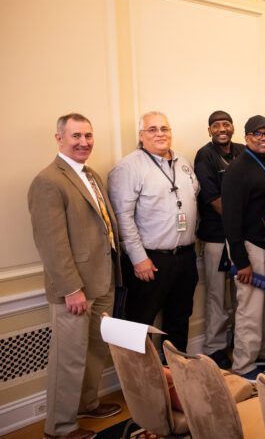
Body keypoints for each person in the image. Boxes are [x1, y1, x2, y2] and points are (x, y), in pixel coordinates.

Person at [29, 113, 122, 439]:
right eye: (76, 136)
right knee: (68, 358)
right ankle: (59, 427)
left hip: (102, 281)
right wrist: (71, 288)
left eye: (88, 135)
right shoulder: (48, 181)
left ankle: (86, 403)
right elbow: (51, 244)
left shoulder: (90, 174)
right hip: (75, 288)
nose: (84, 142)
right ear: (59, 139)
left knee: (95, 350)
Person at [108, 111, 200, 351]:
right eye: (152, 129)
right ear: (141, 135)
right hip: (150, 260)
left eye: (164, 128)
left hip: (185, 257)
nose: (160, 134)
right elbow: (122, 218)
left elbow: (194, 195)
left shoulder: (182, 162)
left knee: (179, 318)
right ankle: (140, 375)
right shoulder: (128, 168)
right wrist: (139, 259)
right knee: (140, 323)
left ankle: (176, 368)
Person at [222, 115, 265, 381]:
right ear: (247, 138)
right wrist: (241, 261)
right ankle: (243, 364)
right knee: (250, 307)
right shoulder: (238, 169)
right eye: (257, 134)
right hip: (252, 249)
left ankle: (264, 352)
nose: (263, 138)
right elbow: (231, 219)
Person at [194, 110, 244, 369]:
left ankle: (239, 340)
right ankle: (215, 346)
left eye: (226, 124)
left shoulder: (243, 151)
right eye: (216, 125)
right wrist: (244, 219)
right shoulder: (205, 155)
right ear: (209, 130)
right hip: (217, 238)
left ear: (233, 127)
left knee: (242, 293)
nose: (222, 129)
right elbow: (213, 199)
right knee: (217, 295)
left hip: (241, 237)